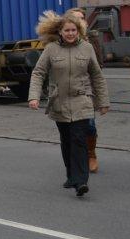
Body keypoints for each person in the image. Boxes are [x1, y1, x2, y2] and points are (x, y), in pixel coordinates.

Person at [28, 11, 110, 196]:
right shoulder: (51, 49)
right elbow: (38, 72)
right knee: (67, 141)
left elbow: (97, 75)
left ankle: (80, 181)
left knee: (79, 139)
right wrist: (33, 96)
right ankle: (71, 175)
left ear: (79, 31)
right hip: (60, 102)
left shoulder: (87, 48)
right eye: (67, 30)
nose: (71, 33)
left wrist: (103, 101)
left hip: (82, 100)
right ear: (60, 32)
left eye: (74, 30)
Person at [69, 7, 104, 172]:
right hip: (67, 91)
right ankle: (77, 157)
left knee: (89, 125)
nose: (79, 21)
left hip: (87, 90)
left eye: (81, 18)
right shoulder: (60, 39)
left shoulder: (91, 40)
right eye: (75, 18)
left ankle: (91, 154)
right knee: (72, 128)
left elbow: (99, 68)